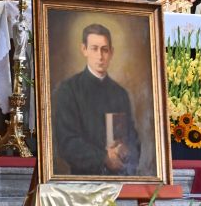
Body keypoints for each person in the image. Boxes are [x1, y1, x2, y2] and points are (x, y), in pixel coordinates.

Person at [53, 24, 140, 175]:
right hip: (83, 181)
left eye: (104, 50)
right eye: (94, 48)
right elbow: (67, 143)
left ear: (111, 52)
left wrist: (127, 150)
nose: (100, 56)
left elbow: (133, 138)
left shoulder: (120, 93)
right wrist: (104, 158)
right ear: (84, 49)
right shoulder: (69, 90)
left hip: (120, 180)